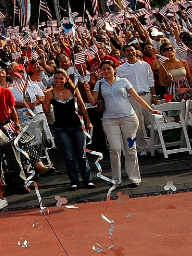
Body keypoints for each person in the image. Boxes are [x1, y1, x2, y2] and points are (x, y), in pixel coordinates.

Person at [90, 59, 160, 187]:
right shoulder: (99, 84)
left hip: (128, 118)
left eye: (108, 68)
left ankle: (134, 177)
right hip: (110, 120)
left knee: (130, 148)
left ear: (114, 69)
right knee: (115, 149)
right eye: (103, 69)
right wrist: (87, 90)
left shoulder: (124, 81)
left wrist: (150, 109)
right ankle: (116, 179)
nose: (106, 71)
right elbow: (93, 102)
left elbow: (136, 98)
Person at [42, 70, 95, 190]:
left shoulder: (73, 90)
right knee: (68, 156)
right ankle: (74, 181)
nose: (58, 81)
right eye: (56, 78)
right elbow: (46, 111)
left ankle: (87, 180)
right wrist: (41, 103)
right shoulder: (50, 93)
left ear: (66, 79)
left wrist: (88, 121)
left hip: (76, 126)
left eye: (61, 78)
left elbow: (82, 105)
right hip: (61, 128)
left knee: (81, 155)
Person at [115, 44, 155, 155]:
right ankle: (142, 148)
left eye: (132, 50)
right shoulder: (120, 69)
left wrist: (154, 96)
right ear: (124, 53)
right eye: (127, 51)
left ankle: (155, 145)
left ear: (135, 51)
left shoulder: (145, 65)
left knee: (150, 122)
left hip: (147, 96)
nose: (130, 52)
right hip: (132, 98)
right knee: (136, 124)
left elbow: (151, 81)